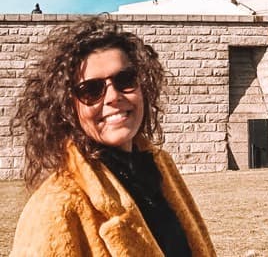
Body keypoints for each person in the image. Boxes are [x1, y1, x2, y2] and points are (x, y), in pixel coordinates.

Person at [10, 15, 216, 256]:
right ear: (67, 108)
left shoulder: (160, 169)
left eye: (125, 80)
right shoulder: (56, 205)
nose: (113, 97)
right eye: (91, 90)